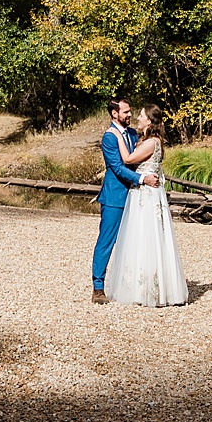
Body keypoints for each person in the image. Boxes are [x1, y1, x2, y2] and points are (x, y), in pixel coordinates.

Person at [102, 106, 189, 307]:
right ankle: (144, 287)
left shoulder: (151, 142)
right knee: (143, 238)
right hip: (145, 193)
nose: (137, 118)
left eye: (141, 115)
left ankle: (145, 291)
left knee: (145, 237)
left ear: (149, 121)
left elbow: (127, 159)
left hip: (146, 195)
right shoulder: (149, 140)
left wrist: (115, 134)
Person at [91, 98, 153, 303]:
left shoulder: (134, 134)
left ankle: (133, 286)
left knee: (135, 241)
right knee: (107, 240)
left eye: (130, 111)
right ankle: (98, 287)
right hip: (115, 196)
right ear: (114, 114)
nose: (129, 115)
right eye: (125, 112)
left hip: (136, 197)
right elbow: (117, 167)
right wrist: (143, 179)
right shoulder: (109, 138)